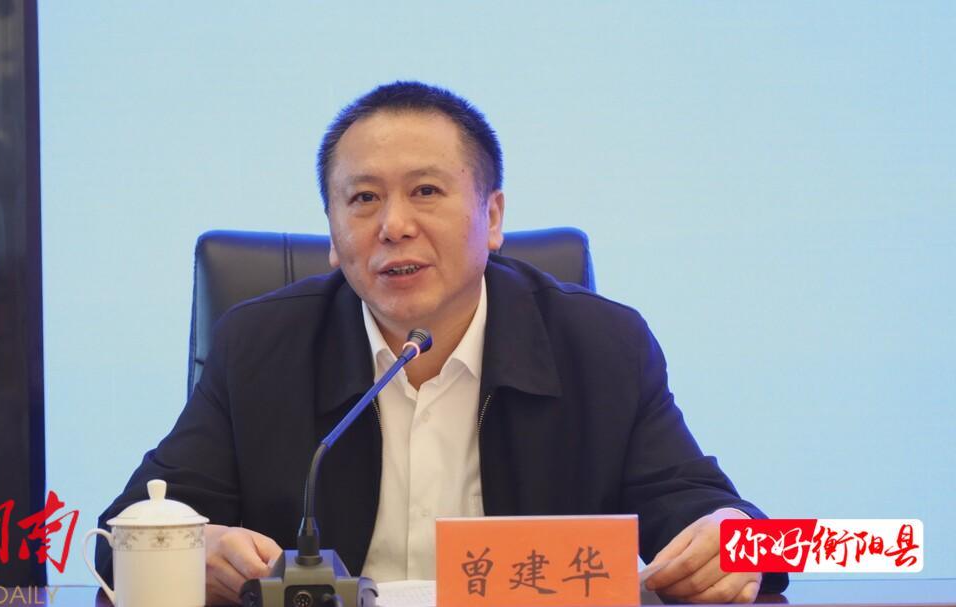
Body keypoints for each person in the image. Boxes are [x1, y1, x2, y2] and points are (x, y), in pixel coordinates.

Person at [96, 81, 788, 604]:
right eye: (363, 199)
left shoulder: (602, 344)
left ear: (493, 216)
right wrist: (194, 549)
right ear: (332, 233)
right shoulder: (259, 346)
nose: (394, 225)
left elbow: (746, 528)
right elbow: (118, 535)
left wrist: (735, 540)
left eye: (426, 191)